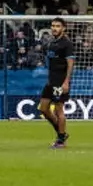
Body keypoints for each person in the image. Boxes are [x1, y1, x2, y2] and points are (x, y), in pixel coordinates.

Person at [37, 18, 74, 149]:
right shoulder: (52, 42)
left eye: (58, 26)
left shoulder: (67, 44)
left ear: (63, 28)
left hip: (60, 80)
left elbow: (70, 64)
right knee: (43, 109)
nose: (54, 28)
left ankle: (61, 140)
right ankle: (61, 133)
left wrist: (66, 82)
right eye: (53, 26)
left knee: (59, 109)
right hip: (50, 81)